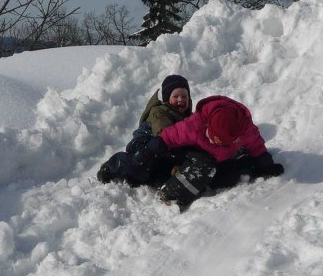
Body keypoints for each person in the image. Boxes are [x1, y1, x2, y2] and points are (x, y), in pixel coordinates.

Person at [138, 95, 284, 207]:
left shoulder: (245, 131)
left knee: (231, 174)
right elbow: (173, 134)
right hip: (196, 156)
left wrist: (265, 163)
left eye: (217, 141)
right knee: (204, 168)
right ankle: (170, 195)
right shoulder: (197, 123)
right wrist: (153, 147)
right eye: (210, 136)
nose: (212, 141)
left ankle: (202, 184)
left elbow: (256, 145)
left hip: (219, 160)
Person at [96, 74, 193, 186]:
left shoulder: (189, 118)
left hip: (164, 152)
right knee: (138, 166)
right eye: (175, 96)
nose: (180, 99)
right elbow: (165, 132)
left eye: (184, 96)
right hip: (144, 146)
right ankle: (112, 166)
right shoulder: (160, 111)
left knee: (160, 176)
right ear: (167, 98)